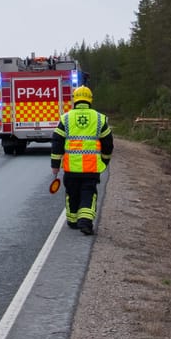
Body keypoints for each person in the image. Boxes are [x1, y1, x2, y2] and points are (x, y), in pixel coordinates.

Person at [50, 86, 112, 236]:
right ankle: (85, 221)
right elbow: (108, 143)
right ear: (90, 100)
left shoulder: (66, 118)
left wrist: (55, 165)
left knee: (72, 193)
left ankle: (72, 220)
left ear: (74, 100)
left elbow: (57, 142)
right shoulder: (99, 118)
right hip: (91, 168)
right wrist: (105, 160)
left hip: (71, 168)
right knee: (88, 193)